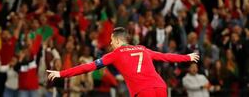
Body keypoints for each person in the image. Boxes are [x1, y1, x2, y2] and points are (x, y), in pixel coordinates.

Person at [47, 27, 199, 97]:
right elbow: (166, 56)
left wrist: (61, 73)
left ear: (119, 40)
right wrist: (188, 57)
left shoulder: (115, 54)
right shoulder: (142, 49)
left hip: (143, 92)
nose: (110, 43)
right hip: (160, 87)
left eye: (112, 40)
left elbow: (89, 67)